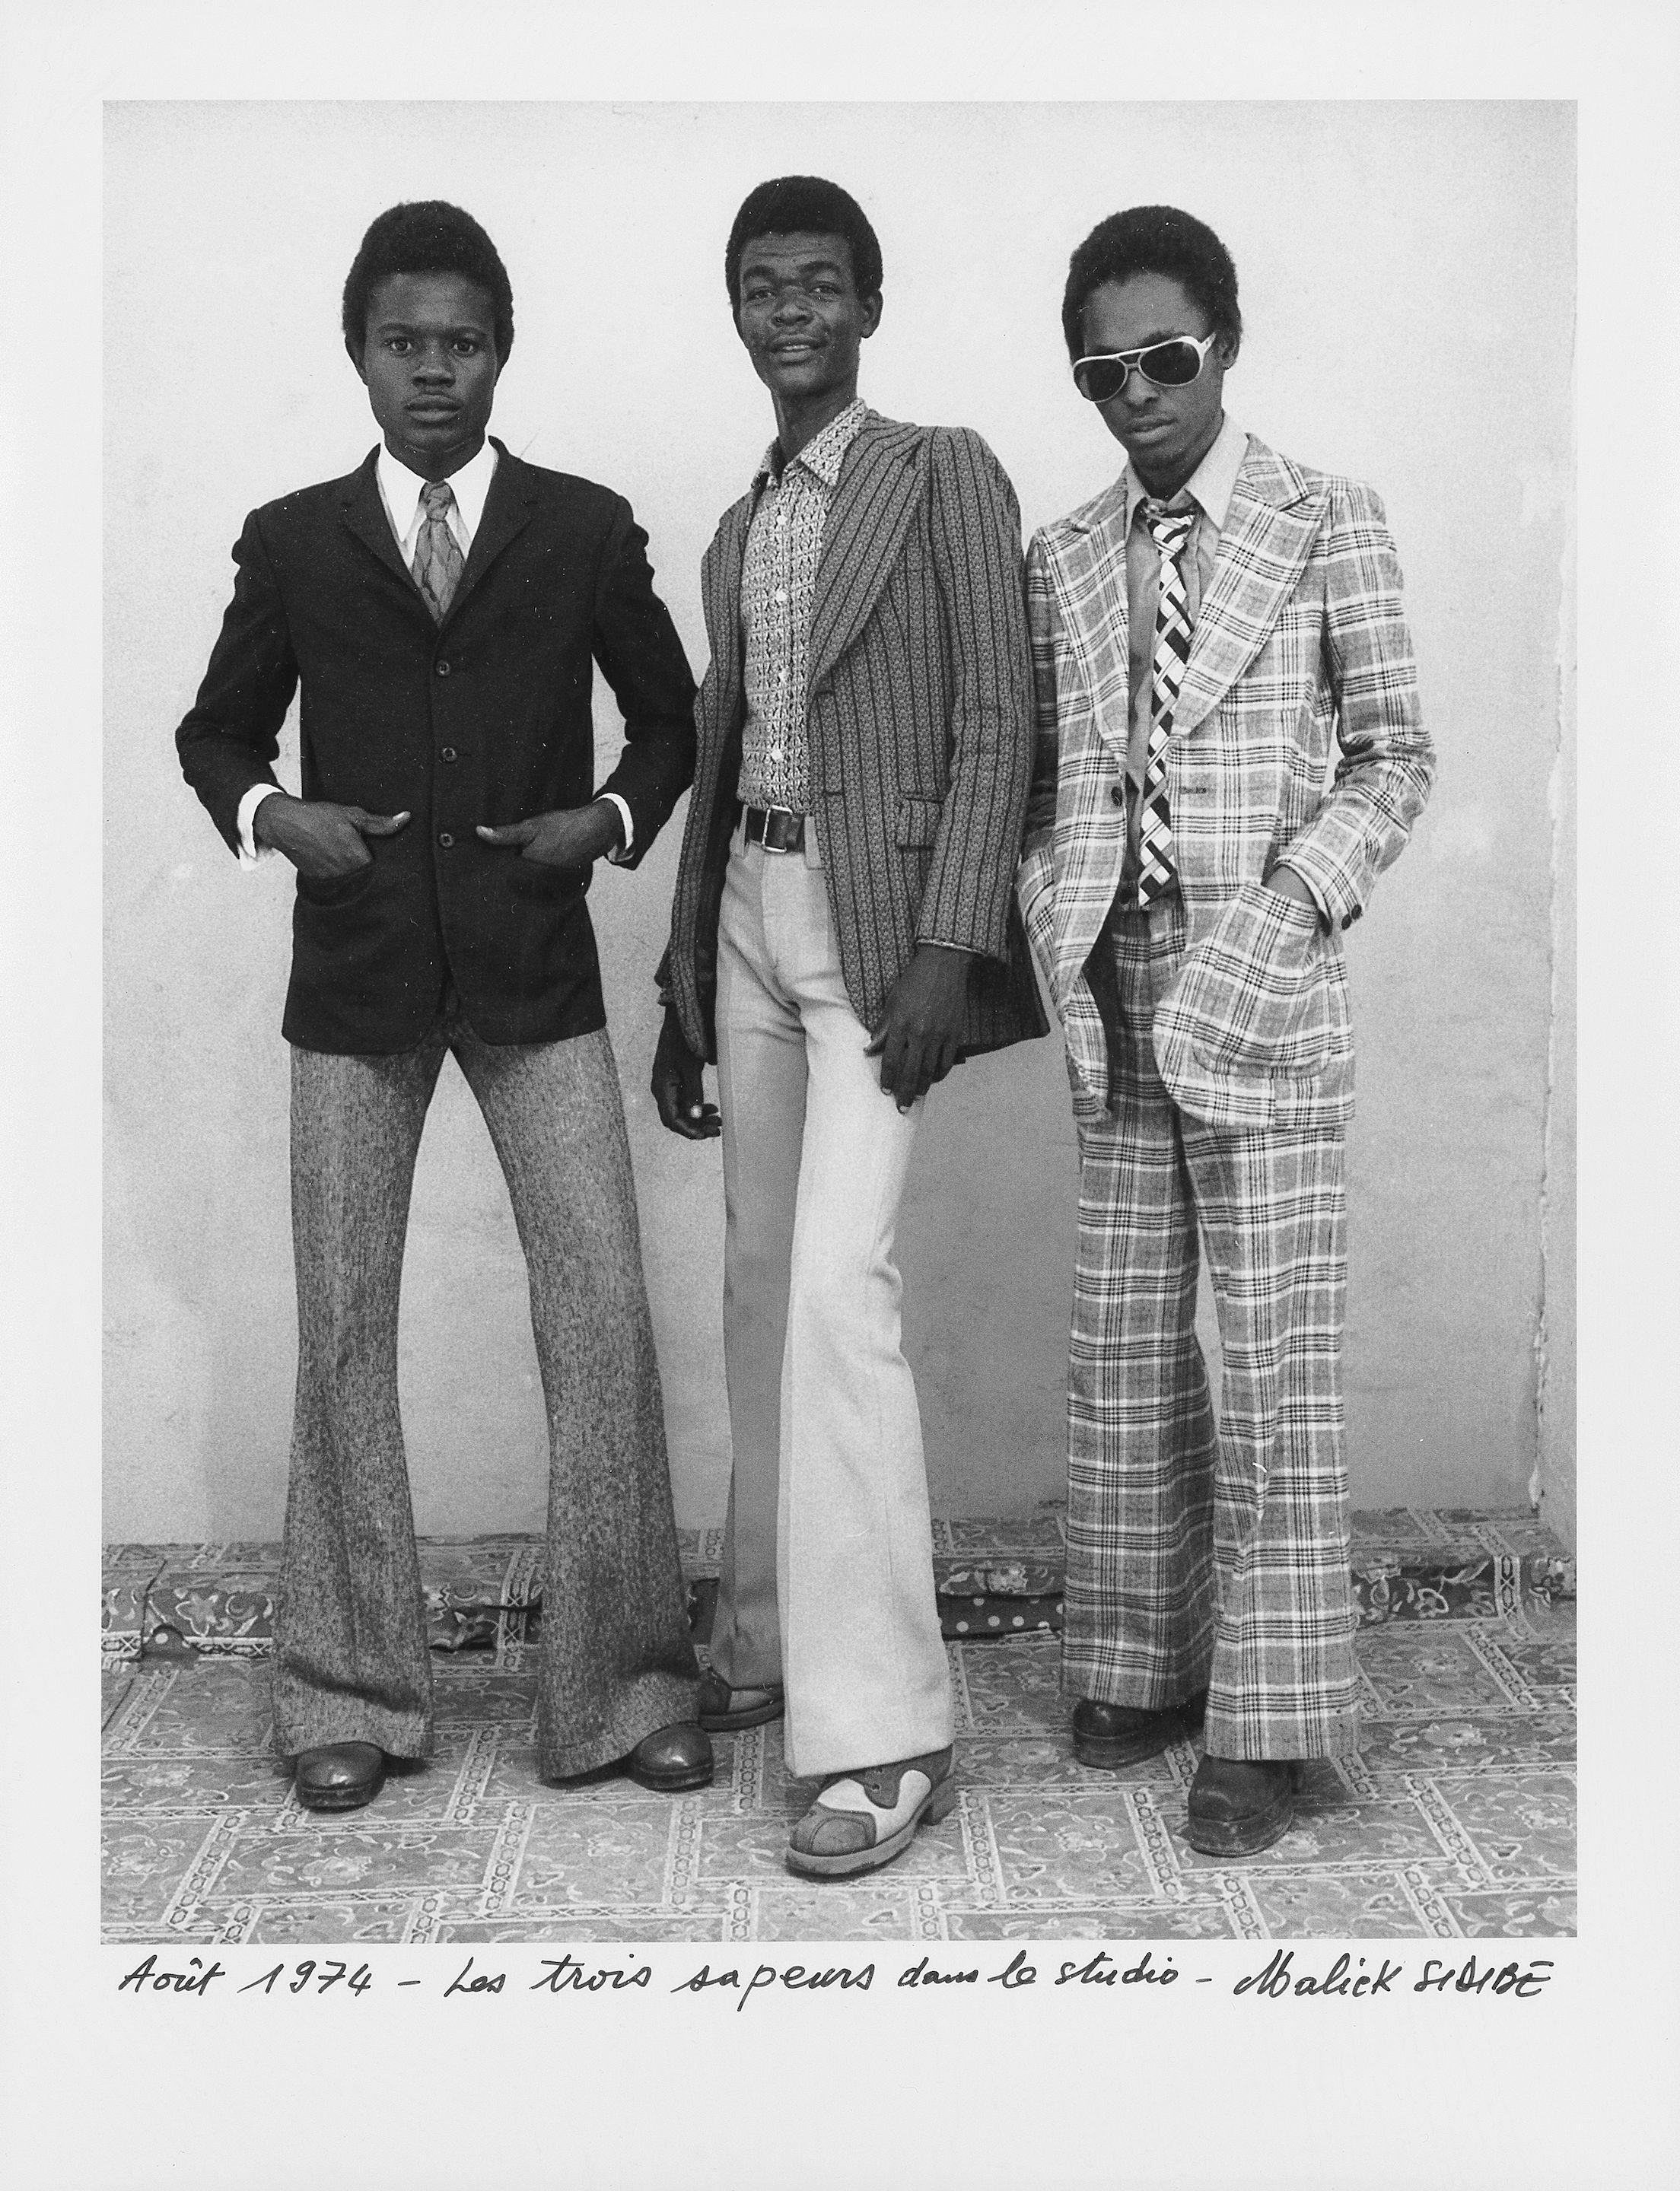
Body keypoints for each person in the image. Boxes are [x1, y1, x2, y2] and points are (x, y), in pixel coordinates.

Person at [175, 199, 710, 1813]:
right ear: (359, 353)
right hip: (354, 983)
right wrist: (279, 818)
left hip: (535, 966)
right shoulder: (294, 539)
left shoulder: (578, 526)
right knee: (343, 1334)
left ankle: (625, 1690)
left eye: (461, 343)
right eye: (403, 343)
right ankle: (345, 1691)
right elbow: (214, 734)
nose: (433, 371)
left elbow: (674, 721)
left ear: (502, 353)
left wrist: (605, 824)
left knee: (602, 1319)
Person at [1017, 205, 1434, 1855]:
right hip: (1115, 995)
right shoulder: (1062, 554)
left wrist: (1281, 915)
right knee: (1123, 1354)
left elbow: (1394, 759)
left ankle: (1270, 1731)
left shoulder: (1328, 516)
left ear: (1226, 344)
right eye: (1103, 371)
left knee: (1271, 1373)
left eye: (1166, 359)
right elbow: (1060, 776)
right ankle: (1140, 1659)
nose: (1138, 394)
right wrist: (1066, 899)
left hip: (1262, 996)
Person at [652, 175, 1044, 1879]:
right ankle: (764, 1636)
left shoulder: (942, 469)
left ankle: (885, 1728)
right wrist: (684, 974)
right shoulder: (741, 528)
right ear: (738, 311)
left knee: (837, 1296)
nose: (791, 310)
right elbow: (728, 745)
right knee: (755, 1287)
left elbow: (996, 714)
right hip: (745, 912)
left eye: (819, 284)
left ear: (868, 306)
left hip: (879, 935)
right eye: (763, 286)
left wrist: (955, 943)